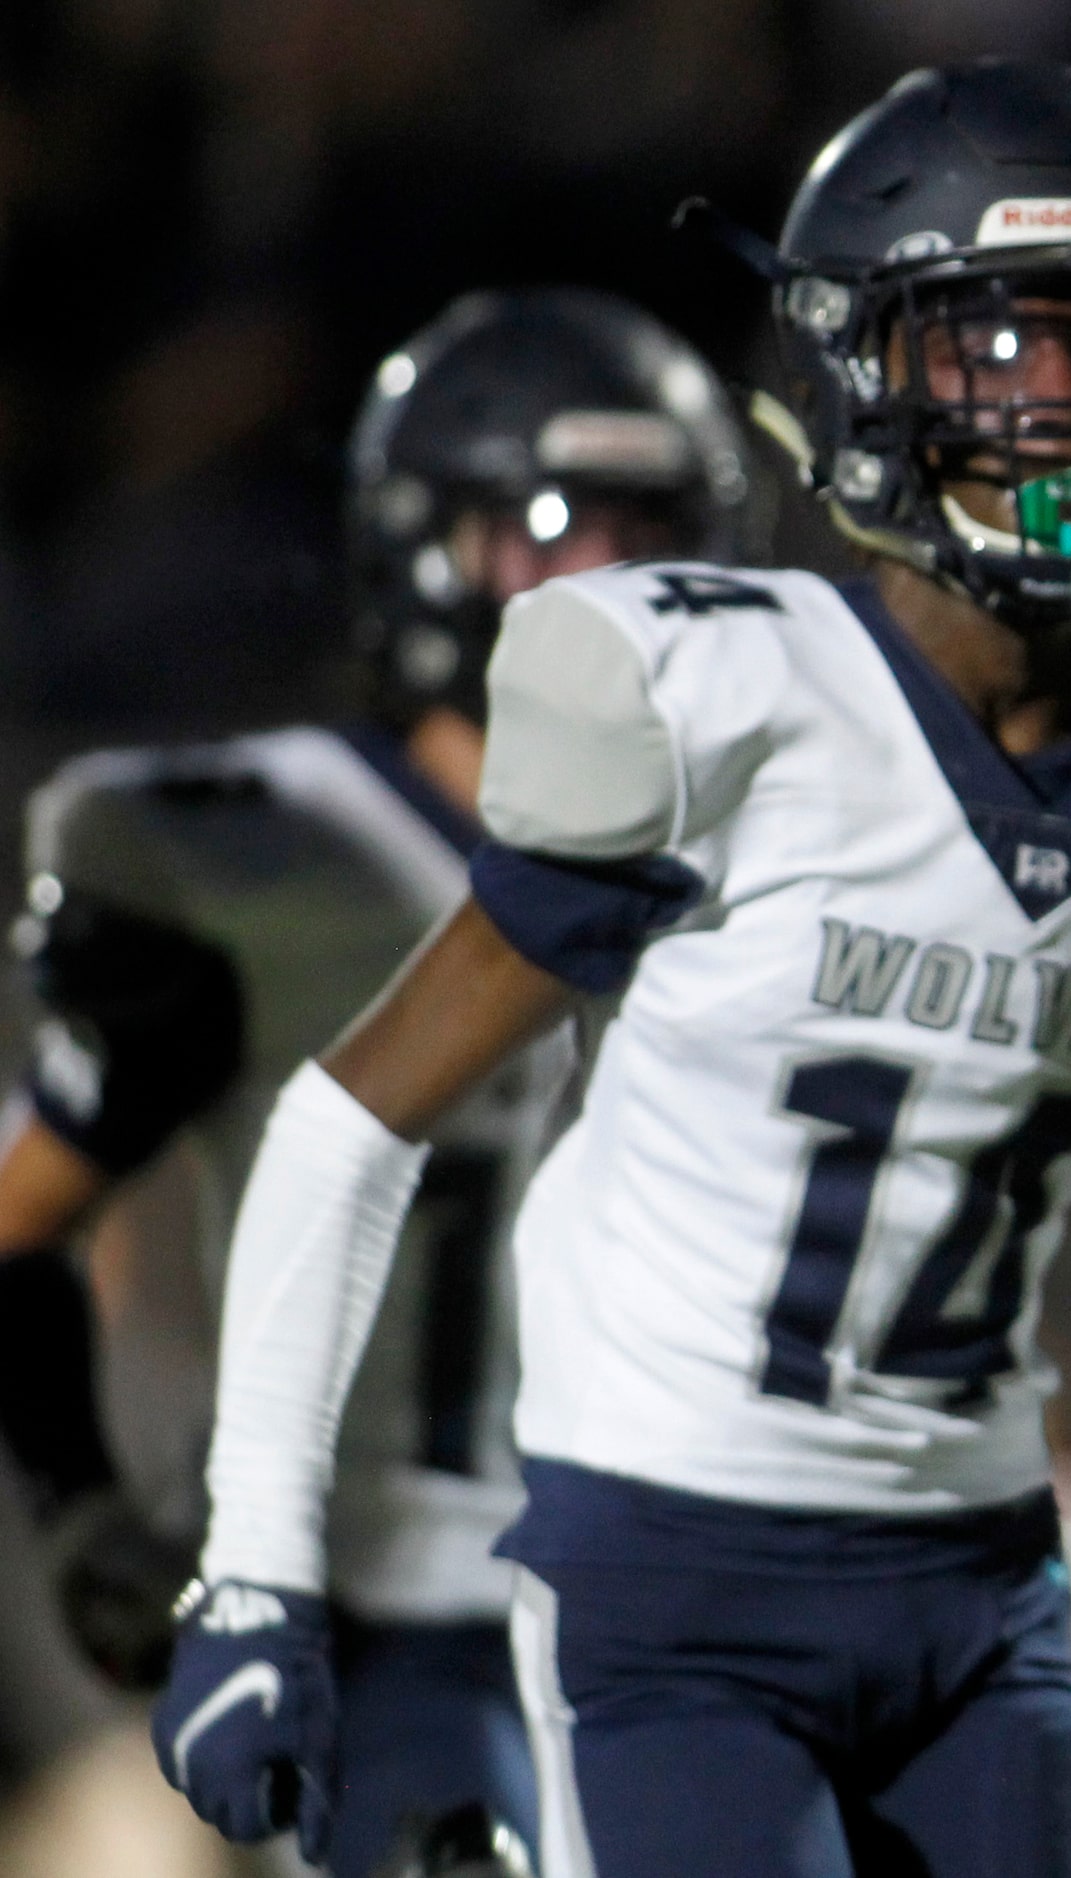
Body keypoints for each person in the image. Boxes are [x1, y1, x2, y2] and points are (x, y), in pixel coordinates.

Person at [147, 59, 1071, 1878]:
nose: (1069, 402)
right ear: (869, 369)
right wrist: (256, 1568)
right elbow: (347, 1122)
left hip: (985, 1589)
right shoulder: (716, 695)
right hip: (674, 1577)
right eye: (999, 347)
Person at [0, 285, 750, 1876]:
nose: (614, 593)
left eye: (654, 542)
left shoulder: (789, 861)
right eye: (554, 531)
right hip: (384, 1609)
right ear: (428, 551)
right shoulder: (268, 858)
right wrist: (79, 1501)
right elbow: (20, 1214)